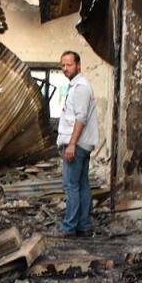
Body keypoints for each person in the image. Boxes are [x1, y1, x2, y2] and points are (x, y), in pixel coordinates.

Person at [57, 50, 99, 237]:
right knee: (81, 184)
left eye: (69, 65)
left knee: (71, 186)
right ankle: (83, 225)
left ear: (78, 65)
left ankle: (70, 227)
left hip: (77, 144)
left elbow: (80, 118)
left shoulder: (81, 87)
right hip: (81, 144)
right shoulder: (76, 86)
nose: (65, 68)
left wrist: (72, 144)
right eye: (63, 65)